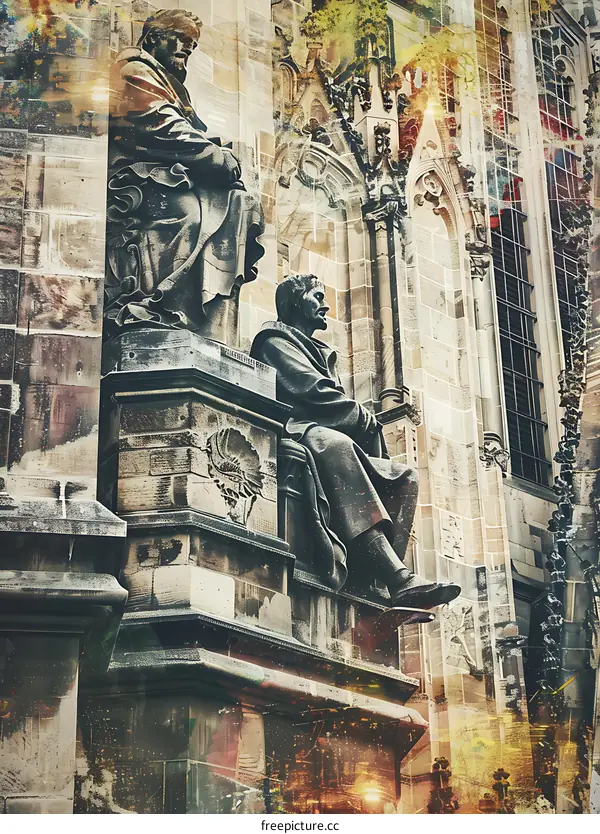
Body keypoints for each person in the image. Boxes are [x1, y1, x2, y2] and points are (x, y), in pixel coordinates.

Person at [251, 274, 461, 610]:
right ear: (295, 302)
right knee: (337, 445)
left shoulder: (320, 351)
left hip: (322, 432)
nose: (326, 305)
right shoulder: (274, 342)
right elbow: (312, 392)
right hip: (295, 429)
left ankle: (380, 581)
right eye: (317, 297)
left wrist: (365, 425)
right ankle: (398, 577)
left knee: (404, 477)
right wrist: (363, 420)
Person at [105, 9, 264, 335]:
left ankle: (211, 325)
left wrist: (222, 154)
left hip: (171, 173)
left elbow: (188, 131)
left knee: (240, 205)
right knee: (187, 212)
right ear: (154, 37)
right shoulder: (136, 70)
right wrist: (216, 157)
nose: (187, 48)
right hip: (137, 178)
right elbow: (162, 127)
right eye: (180, 39)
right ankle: (164, 308)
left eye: (191, 44)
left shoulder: (170, 85)